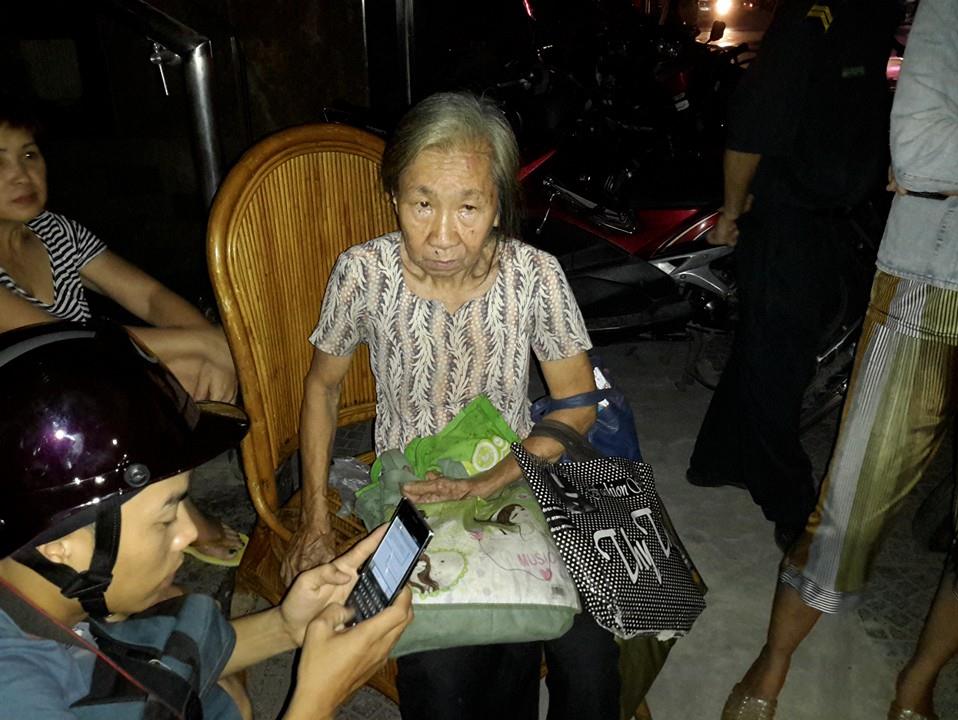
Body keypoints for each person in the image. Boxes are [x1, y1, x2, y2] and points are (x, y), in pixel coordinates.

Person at [284, 91, 620, 720]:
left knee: (592, 659)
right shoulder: (363, 273)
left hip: (522, 470)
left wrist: (491, 479)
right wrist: (315, 518)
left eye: (469, 207)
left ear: (499, 203)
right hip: (413, 489)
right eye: (421, 204)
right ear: (393, 196)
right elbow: (322, 388)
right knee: (443, 672)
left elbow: (578, 405)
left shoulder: (535, 275)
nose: (442, 236)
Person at [722, 1, 958, 718]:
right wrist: (733, 209)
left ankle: (918, 681)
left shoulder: (865, 18)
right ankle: (775, 655)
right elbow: (918, 149)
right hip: (923, 270)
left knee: (777, 365)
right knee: (850, 492)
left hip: (837, 219)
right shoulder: (826, 16)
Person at [0, 320, 413, 719]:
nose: (190, 533)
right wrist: (317, 701)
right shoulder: (18, 698)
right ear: (58, 544)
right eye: (166, 519)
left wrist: (288, 626)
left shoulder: (60, 601)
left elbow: (136, 664)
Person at [685, 0, 901, 549]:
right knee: (781, 361)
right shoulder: (815, 12)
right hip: (789, 218)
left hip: (835, 212)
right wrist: (731, 214)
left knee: (765, 345)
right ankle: (789, 499)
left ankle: (718, 459)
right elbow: (753, 125)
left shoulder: (875, 13)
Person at [0, 97, 245, 565]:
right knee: (168, 371)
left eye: (29, 154)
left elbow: (149, 297)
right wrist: (212, 344)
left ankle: (167, 502)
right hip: (24, 432)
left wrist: (215, 349)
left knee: (198, 360)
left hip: (82, 393)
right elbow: (63, 345)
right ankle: (173, 509)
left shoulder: (55, 231)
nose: (21, 174)